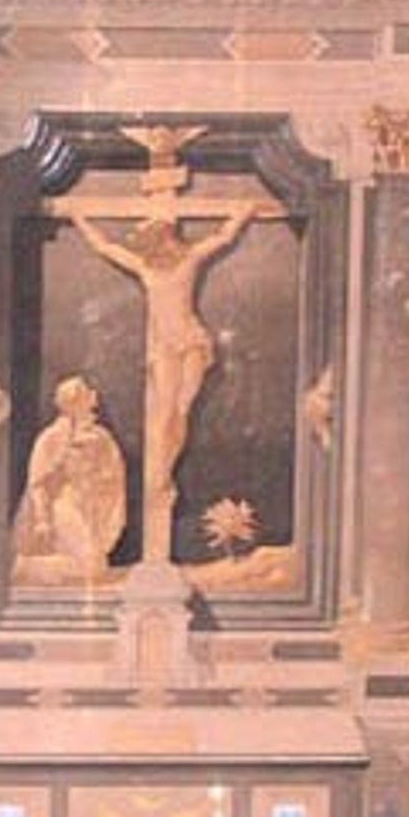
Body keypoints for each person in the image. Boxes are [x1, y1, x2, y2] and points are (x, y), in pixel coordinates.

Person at [55, 198, 273, 564]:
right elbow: (105, 247)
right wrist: (79, 218)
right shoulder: (145, 268)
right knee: (165, 412)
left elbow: (222, 237)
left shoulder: (188, 261)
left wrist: (242, 213)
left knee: (183, 407)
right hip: (165, 349)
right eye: (153, 242)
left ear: (168, 238)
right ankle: (160, 474)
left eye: (159, 239)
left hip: (191, 342)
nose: (157, 247)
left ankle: (165, 468)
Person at [11, 375, 128, 584]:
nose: (93, 398)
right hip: (64, 506)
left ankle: (32, 567)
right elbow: (38, 483)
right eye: (85, 394)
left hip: (90, 507)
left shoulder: (101, 437)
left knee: (96, 565)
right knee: (92, 567)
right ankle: (25, 567)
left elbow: (112, 475)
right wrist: (43, 519)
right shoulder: (51, 438)